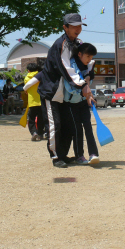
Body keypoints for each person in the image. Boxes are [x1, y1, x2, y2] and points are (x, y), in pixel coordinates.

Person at [37, 13, 94, 168]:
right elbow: (66, 68)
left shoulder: (77, 43)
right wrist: (82, 85)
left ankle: (62, 154)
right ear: (65, 27)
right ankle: (56, 157)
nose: (78, 29)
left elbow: (85, 62)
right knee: (54, 124)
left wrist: (88, 76)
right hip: (52, 92)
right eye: (74, 26)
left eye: (80, 26)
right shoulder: (60, 44)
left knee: (69, 125)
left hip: (67, 94)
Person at [62, 42, 100, 165]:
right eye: (88, 56)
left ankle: (93, 154)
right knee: (77, 129)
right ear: (79, 54)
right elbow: (70, 87)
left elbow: (89, 82)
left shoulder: (88, 66)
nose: (90, 60)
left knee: (88, 127)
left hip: (83, 102)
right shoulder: (71, 66)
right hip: (70, 104)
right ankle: (79, 156)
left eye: (92, 57)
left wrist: (89, 94)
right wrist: (85, 87)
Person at [24, 63, 45, 141]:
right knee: (41, 119)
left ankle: (34, 133)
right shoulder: (41, 75)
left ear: (28, 70)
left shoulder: (26, 78)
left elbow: (26, 91)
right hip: (41, 101)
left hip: (32, 102)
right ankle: (40, 133)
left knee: (31, 119)